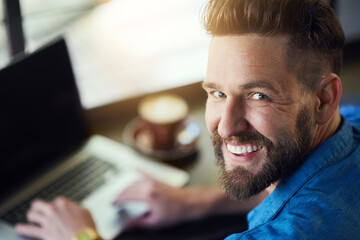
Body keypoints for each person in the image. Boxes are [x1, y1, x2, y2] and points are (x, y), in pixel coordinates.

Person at [15, 0, 360, 239]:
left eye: (259, 96)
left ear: (324, 99)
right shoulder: (350, 123)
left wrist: (81, 235)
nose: (225, 126)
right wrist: (198, 201)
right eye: (217, 93)